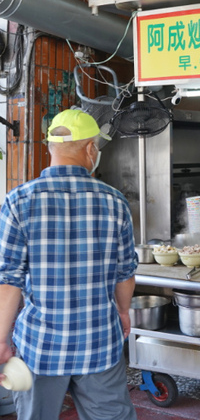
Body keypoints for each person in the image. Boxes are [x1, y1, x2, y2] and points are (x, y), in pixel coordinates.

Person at [0, 109, 138, 420]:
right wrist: (124, 311)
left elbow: (9, 280)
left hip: (40, 346)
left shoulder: (17, 201)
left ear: (50, 148)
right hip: (100, 340)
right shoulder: (115, 202)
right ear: (91, 149)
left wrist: (1, 340)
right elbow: (125, 272)